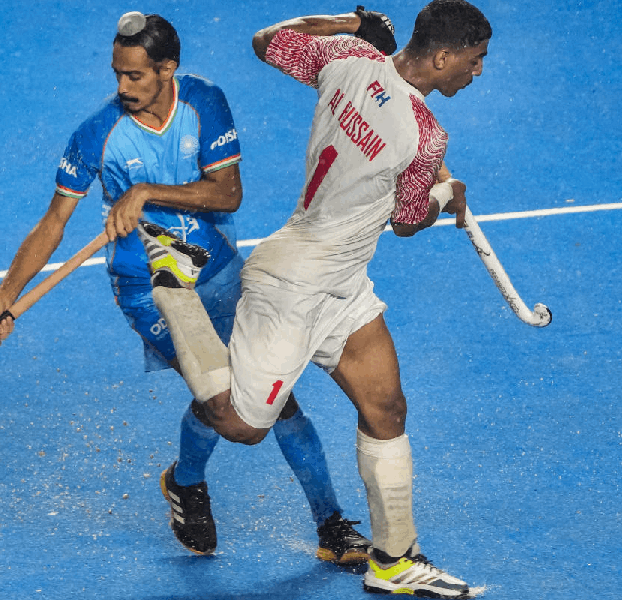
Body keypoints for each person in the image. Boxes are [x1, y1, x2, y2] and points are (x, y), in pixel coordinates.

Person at [0, 10, 394, 564]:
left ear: (168, 68)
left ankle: (331, 525)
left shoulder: (204, 103)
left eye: (136, 77)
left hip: (215, 269)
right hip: (151, 286)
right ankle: (187, 481)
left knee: (275, 400)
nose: (122, 88)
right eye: (117, 75)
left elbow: (227, 195)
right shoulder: (97, 133)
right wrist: (7, 295)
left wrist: (145, 192)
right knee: (221, 401)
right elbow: (54, 223)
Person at [137, 0, 491, 597]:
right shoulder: (426, 135)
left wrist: (349, 23)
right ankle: (175, 289)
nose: (476, 73)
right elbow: (407, 221)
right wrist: (446, 191)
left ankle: (394, 560)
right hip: (294, 285)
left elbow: (266, 41)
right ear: (441, 56)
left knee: (387, 410)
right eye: (474, 61)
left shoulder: (350, 56)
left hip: (343, 283)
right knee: (243, 425)